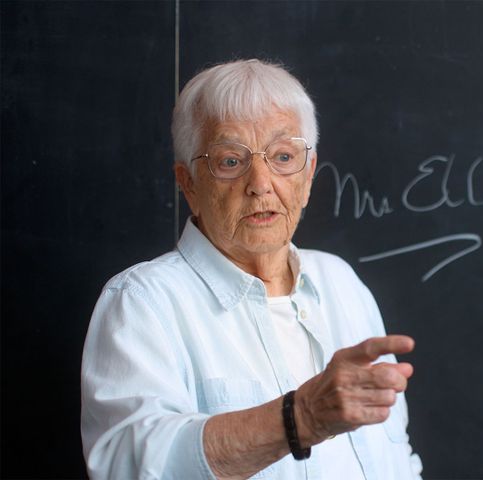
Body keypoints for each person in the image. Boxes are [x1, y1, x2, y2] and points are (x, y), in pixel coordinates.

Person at [81, 59, 422, 480]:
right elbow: (127, 468)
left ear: (308, 176)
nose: (260, 183)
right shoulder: (142, 302)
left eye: (283, 156)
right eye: (230, 161)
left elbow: (398, 457)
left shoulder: (340, 282)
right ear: (188, 183)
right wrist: (299, 418)